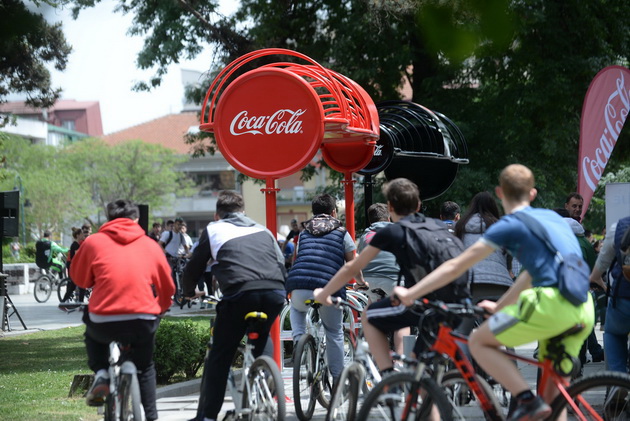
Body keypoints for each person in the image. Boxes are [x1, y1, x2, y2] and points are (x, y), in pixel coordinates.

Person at [388, 165, 594, 420]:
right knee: (554, 404)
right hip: (583, 306)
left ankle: (525, 398)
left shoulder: (506, 225)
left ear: (500, 192)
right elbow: (530, 273)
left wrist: (411, 292)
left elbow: (456, 265)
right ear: (532, 193)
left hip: (551, 303)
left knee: (478, 341)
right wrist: (499, 306)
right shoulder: (553, 220)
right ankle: (536, 404)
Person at [313, 178, 471, 376]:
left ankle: (390, 379)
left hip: (426, 305)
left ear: (390, 208)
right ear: (419, 205)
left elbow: (352, 267)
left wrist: (324, 292)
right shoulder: (437, 227)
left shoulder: (392, 231)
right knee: (422, 380)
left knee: (369, 318)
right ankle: (415, 385)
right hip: (459, 303)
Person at [182, 190, 286, 421]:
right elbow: (280, 262)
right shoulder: (264, 230)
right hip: (274, 292)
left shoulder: (214, 229)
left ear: (217, 215)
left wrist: (188, 292)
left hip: (240, 295)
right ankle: (266, 376)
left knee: (220, 354)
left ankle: (208, 416)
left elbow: (194, 267)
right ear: (243, 212)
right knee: (261, 334)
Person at [70, 199, 174, 421]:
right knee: (145, 368)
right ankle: (152, 417)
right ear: (136, 219)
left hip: (103, 318)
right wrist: (161, 308)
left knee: (93, 335)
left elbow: (79, 278)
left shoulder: (93, 242)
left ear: (108, 219)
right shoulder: (150, 245)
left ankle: (101, 374)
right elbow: (167, 286)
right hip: (142, 317)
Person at [286, 193, 363, 384]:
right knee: (334, 332)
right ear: (334, 212)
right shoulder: (342, 233)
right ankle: (337, 381)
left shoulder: (303, 234)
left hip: (299, 284)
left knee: (297, 308)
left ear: (313, 212)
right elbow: (352, 266)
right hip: (328, 289)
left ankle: (298, 340)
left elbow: (299, 258)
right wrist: (361, 282)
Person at [356, 203, 409, 355]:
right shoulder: (397, 231)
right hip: (392, 279)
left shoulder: (365, 236)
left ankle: (379, 355)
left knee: (372, 308)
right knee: (402, 317)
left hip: (369, 280)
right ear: (388, 217)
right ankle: (399, 360)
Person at [454, 191, 513, 303]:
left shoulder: (460, 226)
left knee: (468, 318)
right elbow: (509, 253)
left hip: (470, 282)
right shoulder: (501, 226)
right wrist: (509, 269)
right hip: (501, 283)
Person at [590, 216, 630, 376]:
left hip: (624, 297)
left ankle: (618, 379)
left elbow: (601, 265)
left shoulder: (619, 227)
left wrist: (594, 278)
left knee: (613, 333)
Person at [60, 227, 88, 303]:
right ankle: (80, 302)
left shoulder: (77, 244)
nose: (83, 235)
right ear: (78, 235)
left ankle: (64, 301)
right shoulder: (75, 245)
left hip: (75, 267)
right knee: (81, 285)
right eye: (82, 234)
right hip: (75, 268)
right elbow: (77, 257)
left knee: (73, 286)